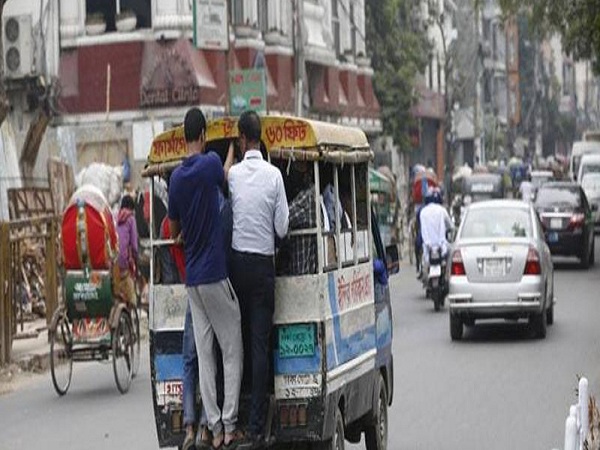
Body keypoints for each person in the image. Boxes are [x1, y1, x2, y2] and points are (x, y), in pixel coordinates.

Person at [168, 107, 245, 450]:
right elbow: (225, 177)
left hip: (193, 282)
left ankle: (212, 427)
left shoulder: (175, 178)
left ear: (184, 137)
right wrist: (228, 152)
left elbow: (174, 228)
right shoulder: (211, 164)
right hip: (215, 274)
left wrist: (185, 233)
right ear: (202, 136)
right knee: (231, 347)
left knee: (205, 354)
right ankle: (229, 424)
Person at [228, 110, 289, 448]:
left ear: (241, 139)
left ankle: (233, 416)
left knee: (238, 341)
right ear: (260, 138)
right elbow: (282, 227)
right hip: (264, 265)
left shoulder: (233, 175)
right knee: (260, 344)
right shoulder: (274, 176)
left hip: (237, 266)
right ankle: (255, 427)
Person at [420, 188, 454, 275]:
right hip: (441, 246)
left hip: (427, 247)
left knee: (423, 259)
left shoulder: (423, 212)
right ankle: (448, 273)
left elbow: (422, 230)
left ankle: (422, 271)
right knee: (452, 251)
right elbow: (450, 226)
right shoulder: (442, 210)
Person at [114, 194, 139, 304]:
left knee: (116, 288)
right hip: (124, 261)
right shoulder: (131, 219)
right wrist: (136, 258)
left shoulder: (115, 216)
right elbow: (134, 245)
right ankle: (132, 307)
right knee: (131, 294)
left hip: (113, 261)